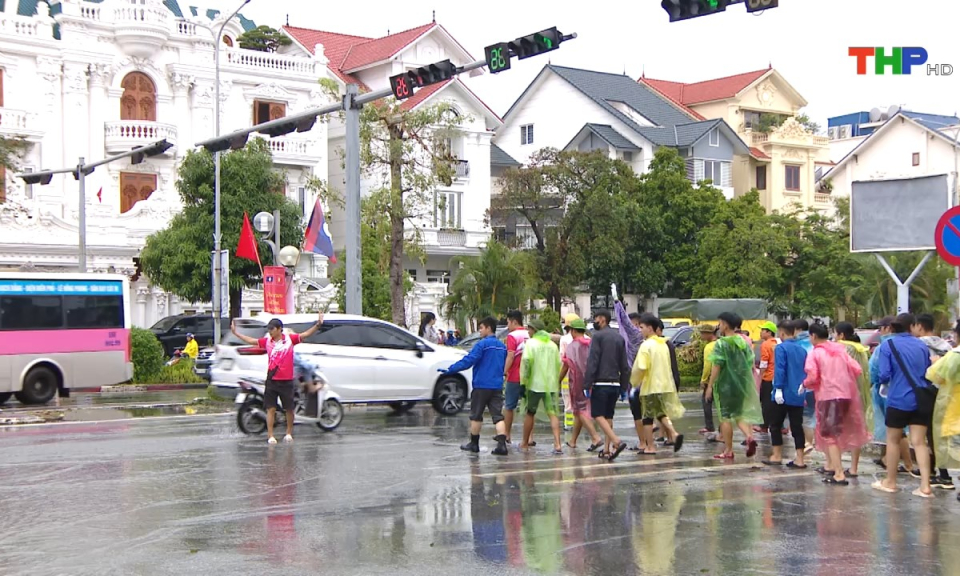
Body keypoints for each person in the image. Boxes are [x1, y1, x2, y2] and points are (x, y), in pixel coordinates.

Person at [230, 312, 324, 444]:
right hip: (272, 380)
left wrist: (318, 325)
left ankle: (289, 433)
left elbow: (305, 335)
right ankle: (270, 436)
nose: (270, 332)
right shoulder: (267, 341)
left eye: (272, 329)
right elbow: (252, 341)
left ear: (280, 329)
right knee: (271, 408)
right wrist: (236, 334)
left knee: (289, 409)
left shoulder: (290, 340)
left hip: (286, 380)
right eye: (268, 330)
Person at [872, 313, 935, 498]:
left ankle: (890, 481)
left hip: (898, 399)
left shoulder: (887, 346)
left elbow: (883, 374)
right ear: (912, 326)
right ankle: (925, 485)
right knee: (919, 442)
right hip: (920, 399)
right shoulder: (921, 345)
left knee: (893, 440)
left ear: (892, 328)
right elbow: (926, 371)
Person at [803, 323, 871, 486]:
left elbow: (813, 377)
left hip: (828, 396)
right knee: (838, 432)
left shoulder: (816, 353)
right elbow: (857, 369)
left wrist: (805, 384)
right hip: (846, 395)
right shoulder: (840, 351)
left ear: (813, 336)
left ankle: (838, 473)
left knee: (829, 435)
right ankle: (834, 466)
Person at [442, 317, 509, 456]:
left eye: (481, 328)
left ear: (489, 328)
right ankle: (502, 445)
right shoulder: (502, 346)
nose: (480, 330)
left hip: (481, 385)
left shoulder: (482, 345)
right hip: (496, 385)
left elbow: (469, 360)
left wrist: (451, 369)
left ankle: (474, 443)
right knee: (498, 416)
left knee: (476, 415)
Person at [705, 312, 763, 460]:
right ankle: (749, 436)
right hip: (741, 383)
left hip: (725, 384)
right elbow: (750, 361)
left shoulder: (721, 343)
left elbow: (716, 365)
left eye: (720, 323)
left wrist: (710, 385)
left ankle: (728, 450)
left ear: (725, 324)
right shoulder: (744, 341)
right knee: (739, 414)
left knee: (725, 417)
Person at [630, 315, 685, 455]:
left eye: (641, 327)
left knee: (647, 417)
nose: (640, 330)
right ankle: (673, 433)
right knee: (660, 412)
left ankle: (650, 446)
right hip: (664, 385)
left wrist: (634, 381)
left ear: (649, 328)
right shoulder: (663, 344)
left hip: (650, 386)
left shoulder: (646, 345)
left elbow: (640, 367)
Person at [914, 313, 956, 489]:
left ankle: (942, 474)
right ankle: (931, 469)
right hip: (946, 392)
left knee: (929, 432)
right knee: (935, 431)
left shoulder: (919, 345)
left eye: (914, 326)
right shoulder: (945, 345)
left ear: (920, 326)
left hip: (927, 391)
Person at [870, 316, 916, 474]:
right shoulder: (916, 344)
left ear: (889, 328)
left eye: (881, 327)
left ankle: (899, 468)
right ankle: (893, 461)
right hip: (912, 392)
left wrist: (878, 384)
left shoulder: (885, 346)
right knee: (902, 432)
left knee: (895, 433)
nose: (879, 331)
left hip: (889, 392)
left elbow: (878, 372)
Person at [584, 309, 631, 461]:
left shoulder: (597, 337)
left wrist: (587, 384)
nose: (595, 321)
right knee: (608, 416)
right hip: (615, 384)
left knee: (597, 414)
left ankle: (616, 441)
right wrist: (624, 387)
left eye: (596, 318)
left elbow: (593, 362)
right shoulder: (619, 338)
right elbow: (625, 365)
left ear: (603, 319)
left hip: (600, 382)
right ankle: (606, 449)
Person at [763, 321, 807, 468]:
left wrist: (778, 388)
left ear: (781, 333)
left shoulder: (781, 348)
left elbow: (780, 369)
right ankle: (800, 459)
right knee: (797, 427)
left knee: (775, 425)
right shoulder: (802, 349)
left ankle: (777, 455)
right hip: (798, 393)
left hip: (782, 393)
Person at [925, 319, 960, 497]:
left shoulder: (954, 356)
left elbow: (934, 375)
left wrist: (935, 362)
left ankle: (945, 476)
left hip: (953, 406)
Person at [835, 322, 874, 477]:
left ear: (841, 335)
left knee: (836, 429)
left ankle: (834, 467)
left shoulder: (842, 348)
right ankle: (854, 468)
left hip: (843, 394)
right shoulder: (862, 349)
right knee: (857, 430)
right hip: (861, 394)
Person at [520, 319, 563, 454]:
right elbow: (558, 364)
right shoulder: (552, 345)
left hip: (535, 384)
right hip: (550, 385)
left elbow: (526, 363)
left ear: (534, 330)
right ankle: (557, 444)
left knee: (530, 413)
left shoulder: (530, 344)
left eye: (530, 329)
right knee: (552, 413)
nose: (528, 332)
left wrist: (523, 382)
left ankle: (525, 443)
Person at [559, 318, 603, 451]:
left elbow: (566, 365)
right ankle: (573, 441)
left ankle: (595, 437)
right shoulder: (591, 343)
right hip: (592, 380)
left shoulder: (572, 346)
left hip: (577, 382)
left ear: (572, 330)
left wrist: (558, 380)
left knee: (579, 410)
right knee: (579, 410)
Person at [503, 310, 530, 444]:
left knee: (509, 406)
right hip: (529, 377)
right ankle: (529, 437)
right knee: (529, 408)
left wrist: (504, 371)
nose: (507, 325)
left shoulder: (512, 336)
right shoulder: (530, 334)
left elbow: (510, 355)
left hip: (514, 376)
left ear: (514, 321)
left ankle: (507, 434)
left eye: (508, 322)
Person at [793, 319, 816, 454]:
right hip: (818, 386)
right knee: (815, 414)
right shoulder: (815, 343)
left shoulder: (798, 345)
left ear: (797, 329)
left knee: (805, 416)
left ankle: (808, 442)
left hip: (804, 385)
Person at [757, 322, 779, 434]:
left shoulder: (765, 344)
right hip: (778, 377)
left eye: (763, 330)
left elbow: (764, 363)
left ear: (769, 332)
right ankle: (781, 426)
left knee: (766, 403)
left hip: (768, 377)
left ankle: (764, 426)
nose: (760, 332)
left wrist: (760, 377)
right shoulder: (779, 342)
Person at [698, 324, 719, 438]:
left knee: (706, 401)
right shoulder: (720, 344)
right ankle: (722, 427)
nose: (701, 336)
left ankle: (709, 426)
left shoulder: (709, 347)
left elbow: (708, 365)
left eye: (702, 333)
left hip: (711, 378)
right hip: (721, 378)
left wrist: (704, 380)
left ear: (709, 334)